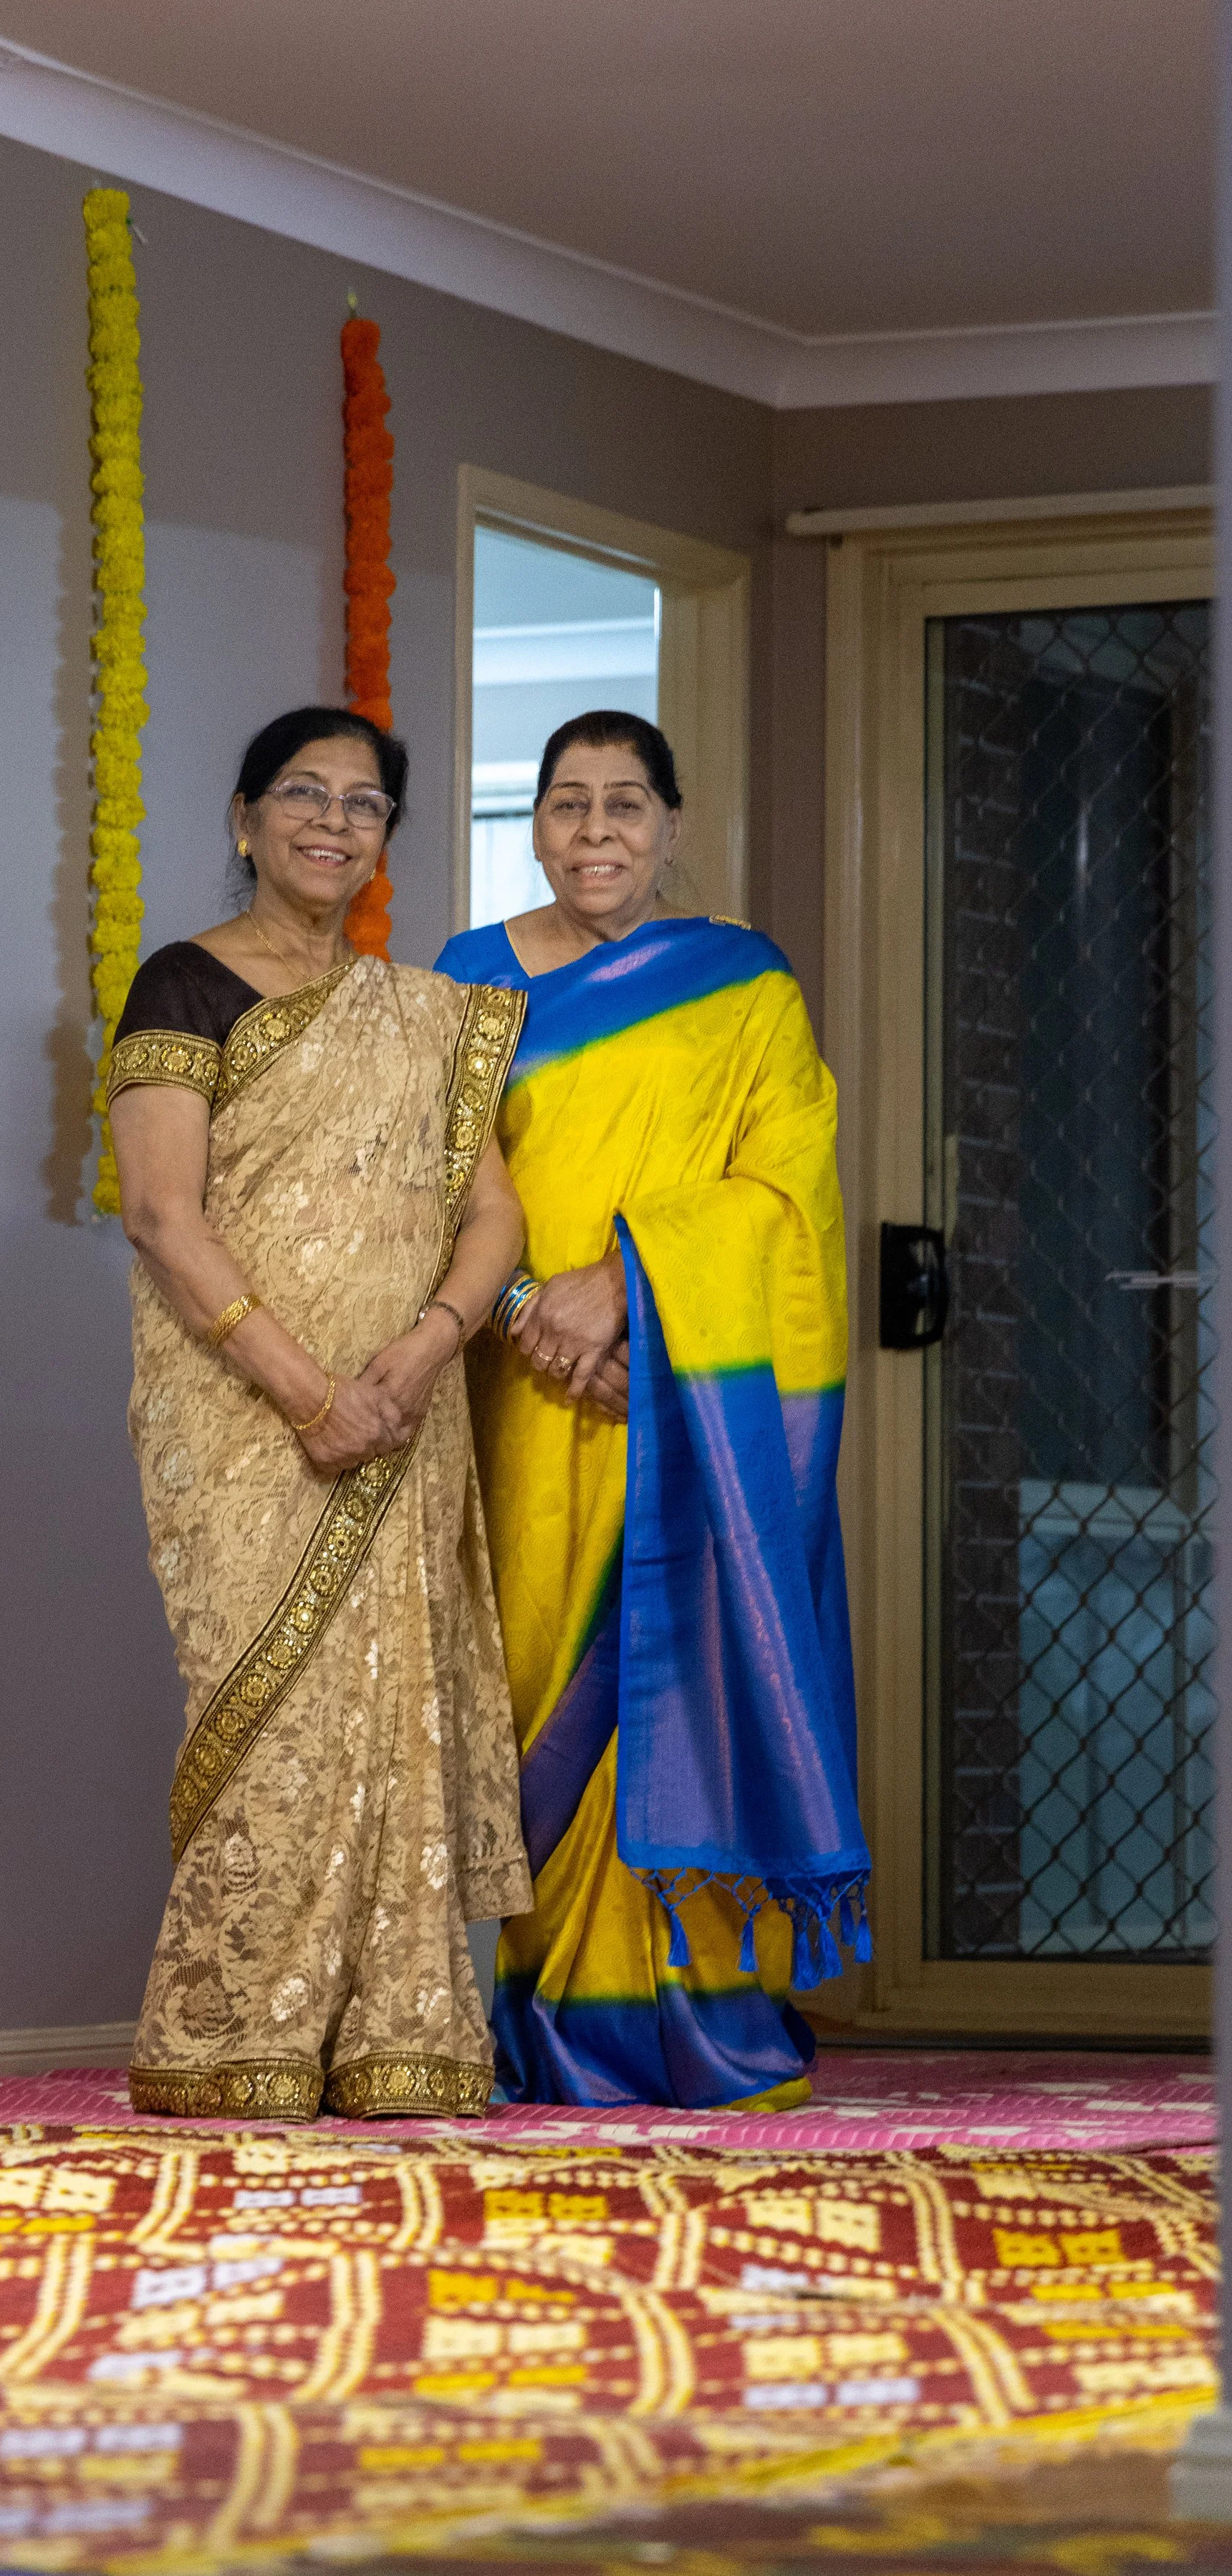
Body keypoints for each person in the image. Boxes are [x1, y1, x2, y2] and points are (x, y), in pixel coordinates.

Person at [435, 709, 866, 2111]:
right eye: (567, 804)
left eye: (625, 806)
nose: (595, 832)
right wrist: (523, 1318)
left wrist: (622, 1285)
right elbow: (417, 1195)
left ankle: (675, 2013)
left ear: (672, 824)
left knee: (672, 1656)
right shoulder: (461, 985)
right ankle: (514, 2011)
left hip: (681, 1404)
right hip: (512, 1393)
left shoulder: (741, 989)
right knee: (520, 1675)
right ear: (535, 822)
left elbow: (785, 1198)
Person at [108, 705, 534, 2122]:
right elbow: (165, 1218)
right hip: (244, 1412)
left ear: (385, 843)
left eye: (364, 804)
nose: (331, 821)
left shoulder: (423, 1018)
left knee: (394, 1711)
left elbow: (492, 1213)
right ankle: (234, 2033)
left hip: (401, 1411)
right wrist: (304, 1392)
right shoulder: (182, 984)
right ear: (242, 819)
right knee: (272, 1710)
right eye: (302, 793)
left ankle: (396, 2032)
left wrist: (417, 1355)